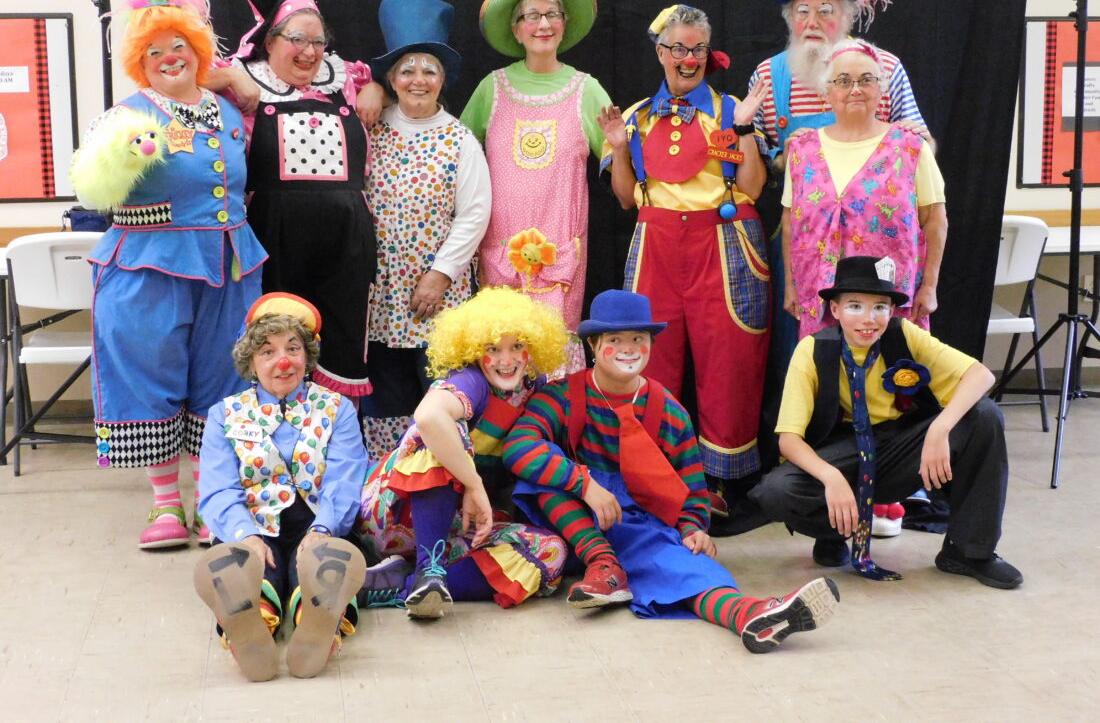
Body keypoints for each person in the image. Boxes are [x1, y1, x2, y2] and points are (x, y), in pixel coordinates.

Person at [503, 290, 839, 653]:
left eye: (639, 338)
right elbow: (519, 446)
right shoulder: (563, 395)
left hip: (636, 523)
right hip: (573, 524)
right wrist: (583, 483)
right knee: (540, 478)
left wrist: (693, 528)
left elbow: (691, 487)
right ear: (593, 345)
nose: (628, 348)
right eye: (615, 339)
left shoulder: (668, 410)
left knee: (684, 565)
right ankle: (603, 563)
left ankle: (751, 616)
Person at [70, 0, 266, 549]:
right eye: (154, 50)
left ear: (198, 52)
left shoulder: (225, 110)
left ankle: (211, 500)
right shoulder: (124, 116)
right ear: (140, 61)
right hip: (149, 265)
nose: (168, 57)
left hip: (229, 262)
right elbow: (91, 190)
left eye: (179, 45)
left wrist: (235, 78)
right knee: (149, 371)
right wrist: (121, 154)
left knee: (224, 374)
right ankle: (164, 503)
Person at [750, 256, 1022, 589]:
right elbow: (788, 440)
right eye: (855, 306)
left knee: (984, 415)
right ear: (835, 309)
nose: (869, 319)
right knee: (777, 491)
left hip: (901, 448)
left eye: (879, 307)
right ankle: (834, 531)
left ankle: (967, 551)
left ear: (892, 311)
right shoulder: (812, 350)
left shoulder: (904, 335)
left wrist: (939, 429)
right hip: (842, 450)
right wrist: (831, 478)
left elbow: (980, 375)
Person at [598, 4, 771, 504]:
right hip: (656, 242)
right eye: (678, 48)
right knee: (650, 357)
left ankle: (724, 484)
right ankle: (658, 475)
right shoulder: (635, 117)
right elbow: (626, 199)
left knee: (729, 359)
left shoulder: (730, 110)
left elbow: (754, 188)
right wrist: (619, 148)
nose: (688, 58)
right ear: (661, 53)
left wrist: (743, 130)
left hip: (724, 242)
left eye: (697, 48)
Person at [356, 287, 569, 618]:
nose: (507, 360)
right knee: (441, 433)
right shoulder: (471, 379)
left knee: (551, 552)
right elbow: (429, 417)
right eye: (493, 349)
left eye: (517, 346)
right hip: (394, 513)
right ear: (473, 351)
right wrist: (473, 483)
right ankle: (428, 569)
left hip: (462, 525)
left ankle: (403, 586)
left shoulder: (534, 386)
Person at [210, 0, 380, 401]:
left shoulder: (343, 79)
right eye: (298, 39)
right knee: (276, 338)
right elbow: (176, 74)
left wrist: (378, 88)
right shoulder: (245, 79)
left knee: (343, 340)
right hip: (275, 236)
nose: (310, 51)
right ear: (269, 42)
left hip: (346, 240)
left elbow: (390, 77)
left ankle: (336, 436)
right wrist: (231, 77)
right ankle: (274, 433)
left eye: (318, 41)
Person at [193, 293, 368, 681]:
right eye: (268, 351)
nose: (283, 361)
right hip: (253, 522)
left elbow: (345, 476)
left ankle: (318, 622)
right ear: (251, 361)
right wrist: (245, 534)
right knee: (250, 568)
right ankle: (252, 624)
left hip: (319, 521)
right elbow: (218, 487)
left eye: (293, 348)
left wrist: (324, 527)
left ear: (307, 356)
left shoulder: (337, 407)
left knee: (323, 564)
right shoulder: (224, 414)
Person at [461, 0, 612, 372]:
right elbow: (457, 158)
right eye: (532, 15)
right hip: (498, 250)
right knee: (501, 349)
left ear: (564, 24)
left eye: (552, 14)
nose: (543, 24)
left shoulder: (587, 89)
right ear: (516, 30)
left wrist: (622, 148)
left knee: (552, 359)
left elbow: (619, 166)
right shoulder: (492, 87)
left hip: (560, 253)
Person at [363, 0, 492, 460]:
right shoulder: (370, 128)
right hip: (378, 298)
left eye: (429, 70)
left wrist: (440, 275)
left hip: (436, 298)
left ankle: (445, 485)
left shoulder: (459, 138)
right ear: (391, 79)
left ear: (442, 80)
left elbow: (474, 213)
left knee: (440, 396)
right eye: (407, 70)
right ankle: (388, 488)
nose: (418, 79)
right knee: (383, 400)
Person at [783, 39, 947, 337]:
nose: (855, 89)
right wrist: (790, 286)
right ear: (826, 92)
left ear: (881, 89)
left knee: (893, 365)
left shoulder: (911, 147)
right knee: (826, 364)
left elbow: (935, 220)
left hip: (892, 300)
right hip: (819, 298)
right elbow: (790, 223)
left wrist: (930, 286)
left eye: (866, 80)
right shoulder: (802, 150)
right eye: (843, 81)